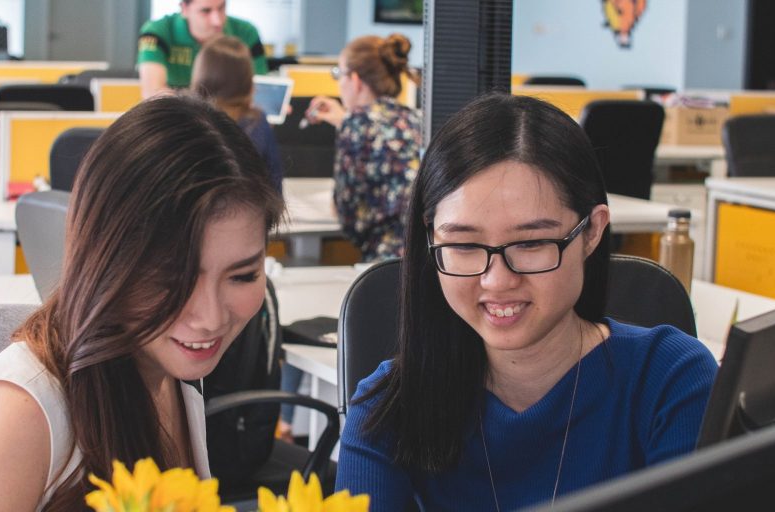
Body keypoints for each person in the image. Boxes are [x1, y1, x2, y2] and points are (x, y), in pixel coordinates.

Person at [334, 93, 718, 511]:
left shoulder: (670, 379)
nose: (497, 280)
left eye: (532, 242)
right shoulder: (387, 407)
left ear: (592, 232)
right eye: (463, 244)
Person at [0, 96, 284, 510]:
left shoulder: (168, 372)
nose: (208, 318)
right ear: (105, 260)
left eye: (242, 275)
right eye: (172, 280)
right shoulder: (24, 413)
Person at [305, 33, 422, 262]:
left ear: (355, 80)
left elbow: (347, 216)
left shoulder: (356, 124)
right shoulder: (414, 118)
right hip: (427, 255)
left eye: (339, 74)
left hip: (389, 261)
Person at [192, 35, 283, 194]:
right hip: (249, 214)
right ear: (247, 80)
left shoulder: (187, 121)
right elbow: (275, 185)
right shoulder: (256, 123)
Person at [138, 0, 268, 99]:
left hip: (229, 119)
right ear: (184, 9)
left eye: (221, 8)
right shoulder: (157, 31)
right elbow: (153, 92)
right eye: (206, 11)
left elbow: (259, 88)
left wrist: (267, 103)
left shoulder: (246, 32)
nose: (217, 21)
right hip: (176, 119)